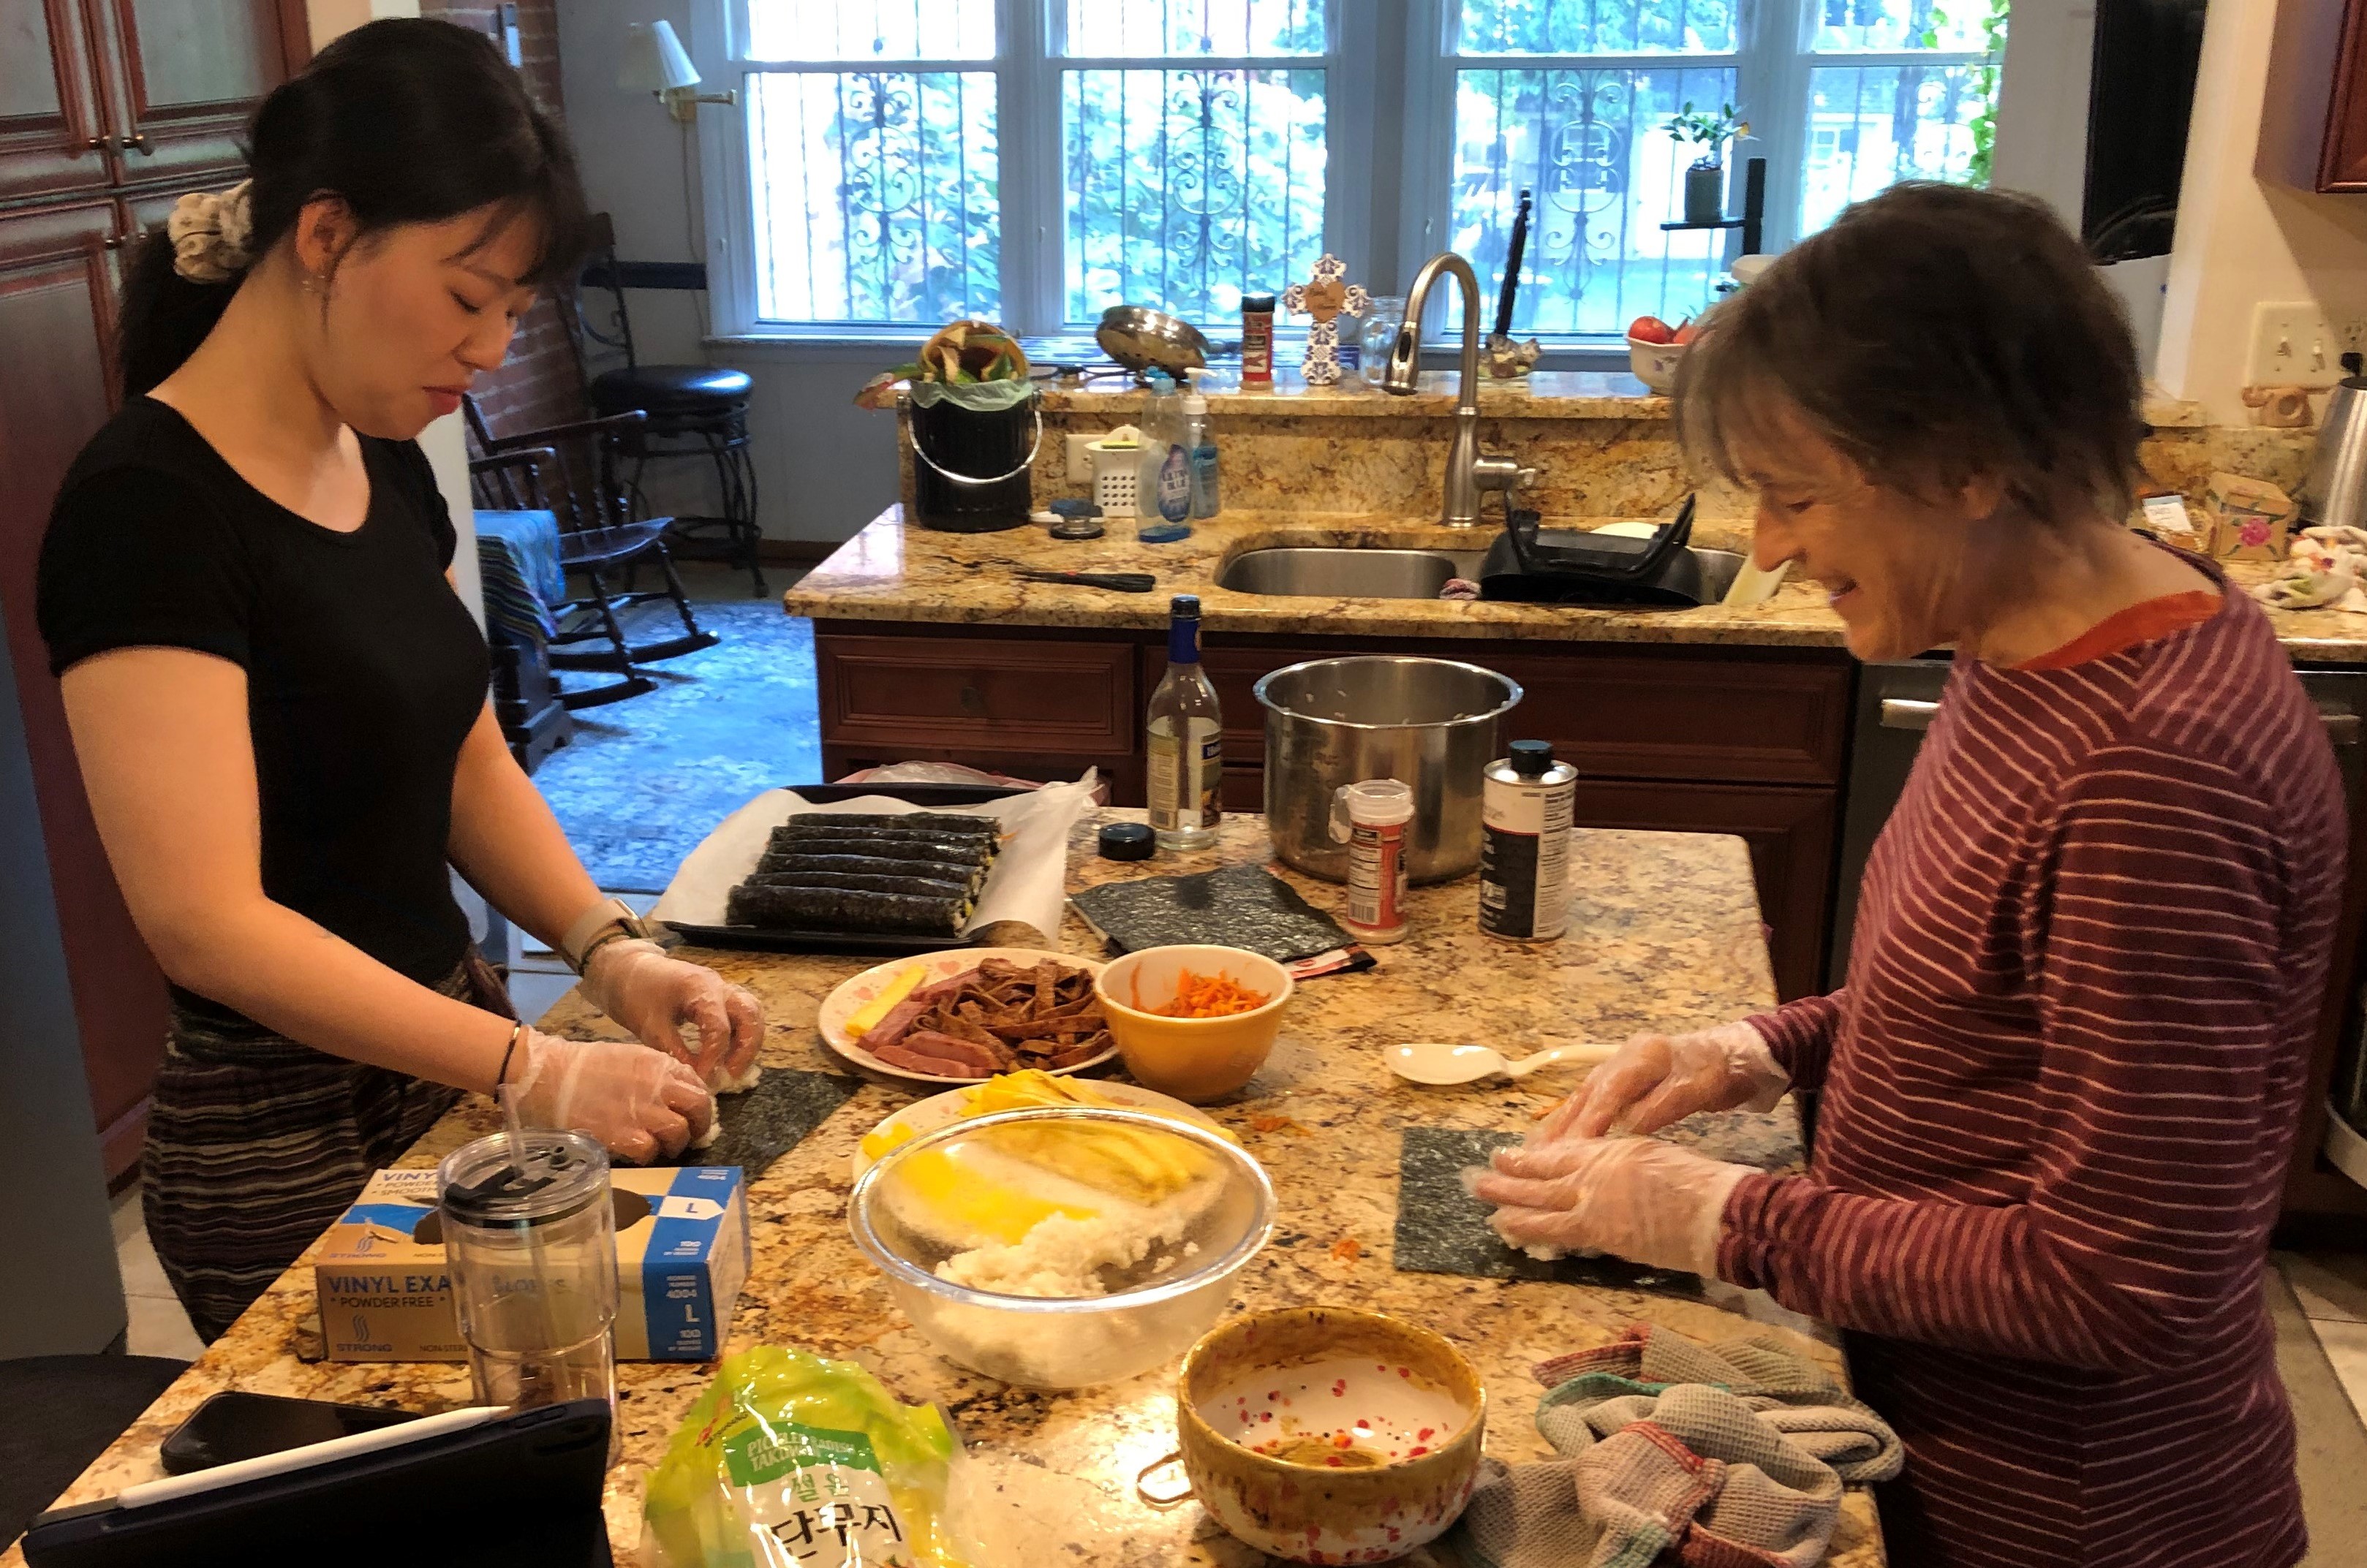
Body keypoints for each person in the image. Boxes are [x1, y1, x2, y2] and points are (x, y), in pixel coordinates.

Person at [1475, 183, 2340, 1568]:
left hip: (2071, 1515)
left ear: (1966, 465)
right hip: (1935, 1441)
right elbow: (1986, 1002)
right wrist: (1757, 1046)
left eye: (1796, 495)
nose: (1766, 548)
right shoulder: (2030, 633)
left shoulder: (2152, 767)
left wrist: (1720, 1213)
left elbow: (2118, 1282)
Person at [37, 18, 763, 1344]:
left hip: (442, 1064)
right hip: (279, 1141)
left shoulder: (372, 460)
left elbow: (464, 759)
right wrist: (535, 1063)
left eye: (512, 315)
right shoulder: (146, 510)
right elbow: (205, 922)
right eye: (465, 295)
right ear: (323, 235)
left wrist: (612, 952)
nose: (487, 350)